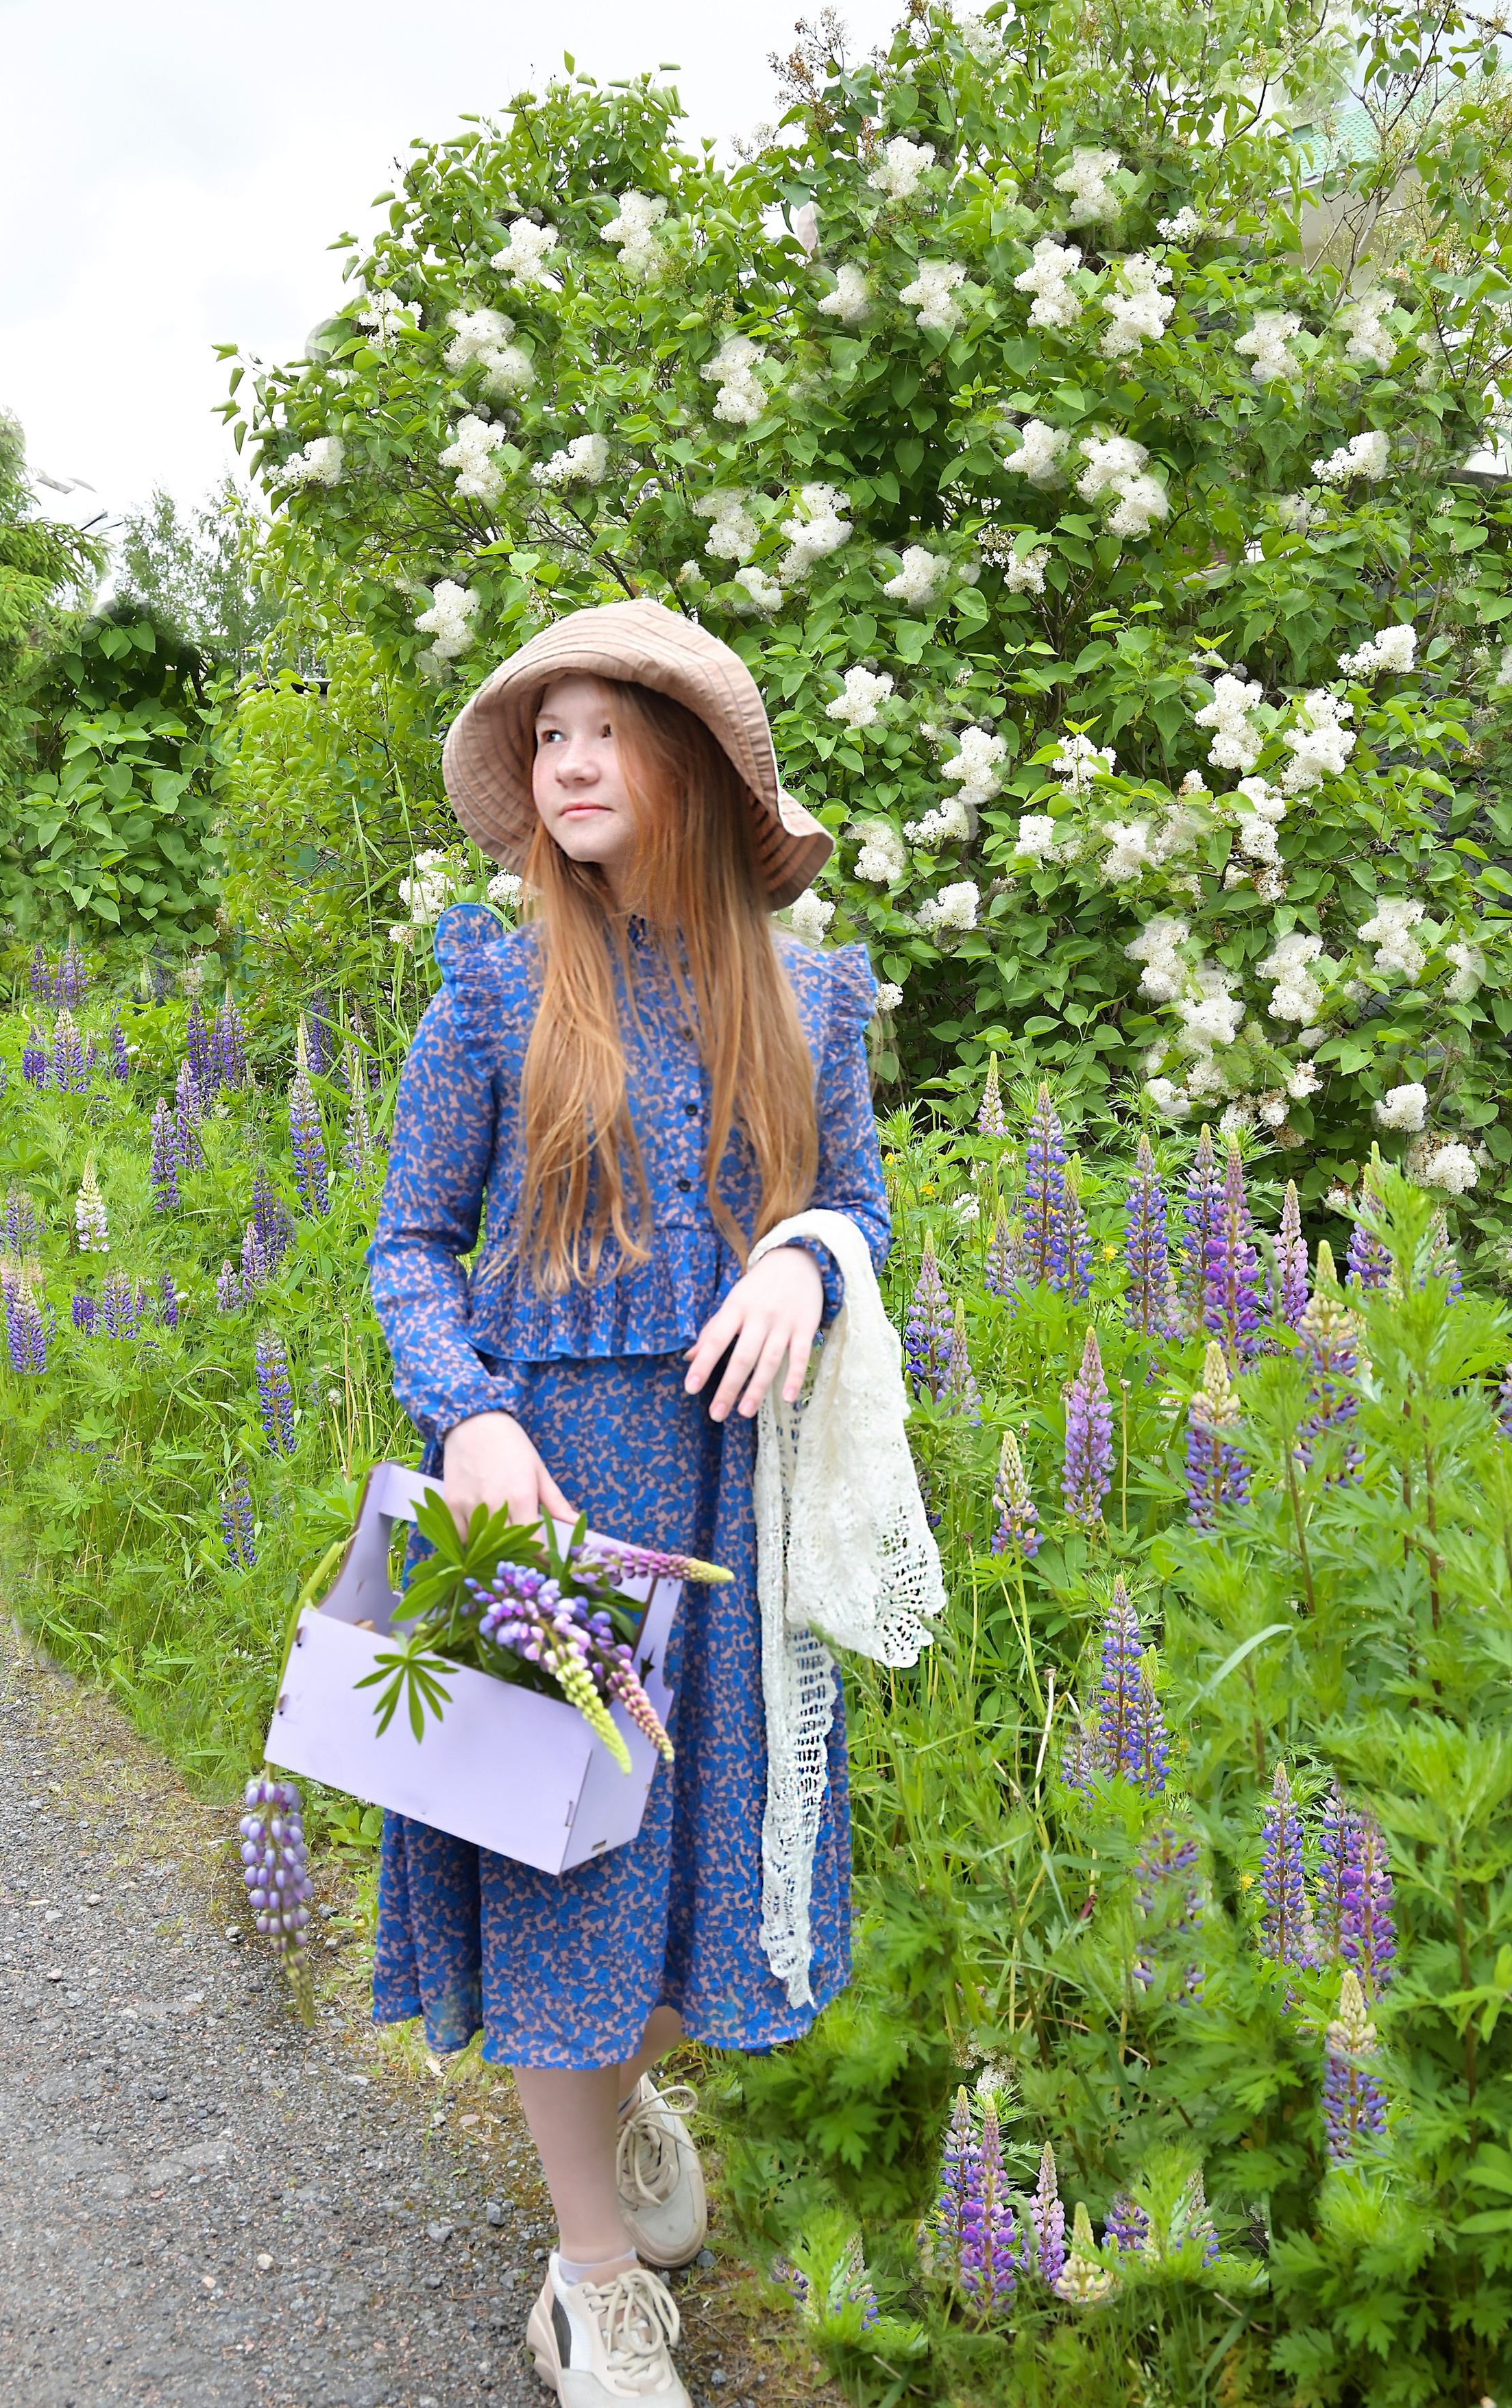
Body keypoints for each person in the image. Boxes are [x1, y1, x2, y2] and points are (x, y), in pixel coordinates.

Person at [367, 599, 889, 2408]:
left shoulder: (817, 992)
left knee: (686, 1884)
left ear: (696, 768)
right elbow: (407, 1246)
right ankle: (588, 2279)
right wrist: (470, 1416)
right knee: (558, 1881)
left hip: (732, 1505)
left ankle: (615, 2089)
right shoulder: (493, 987)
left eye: (608, 730)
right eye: (551, 735)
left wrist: (813, 1260)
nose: (569, 763)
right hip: (547, 1493)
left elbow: (859, 1205)